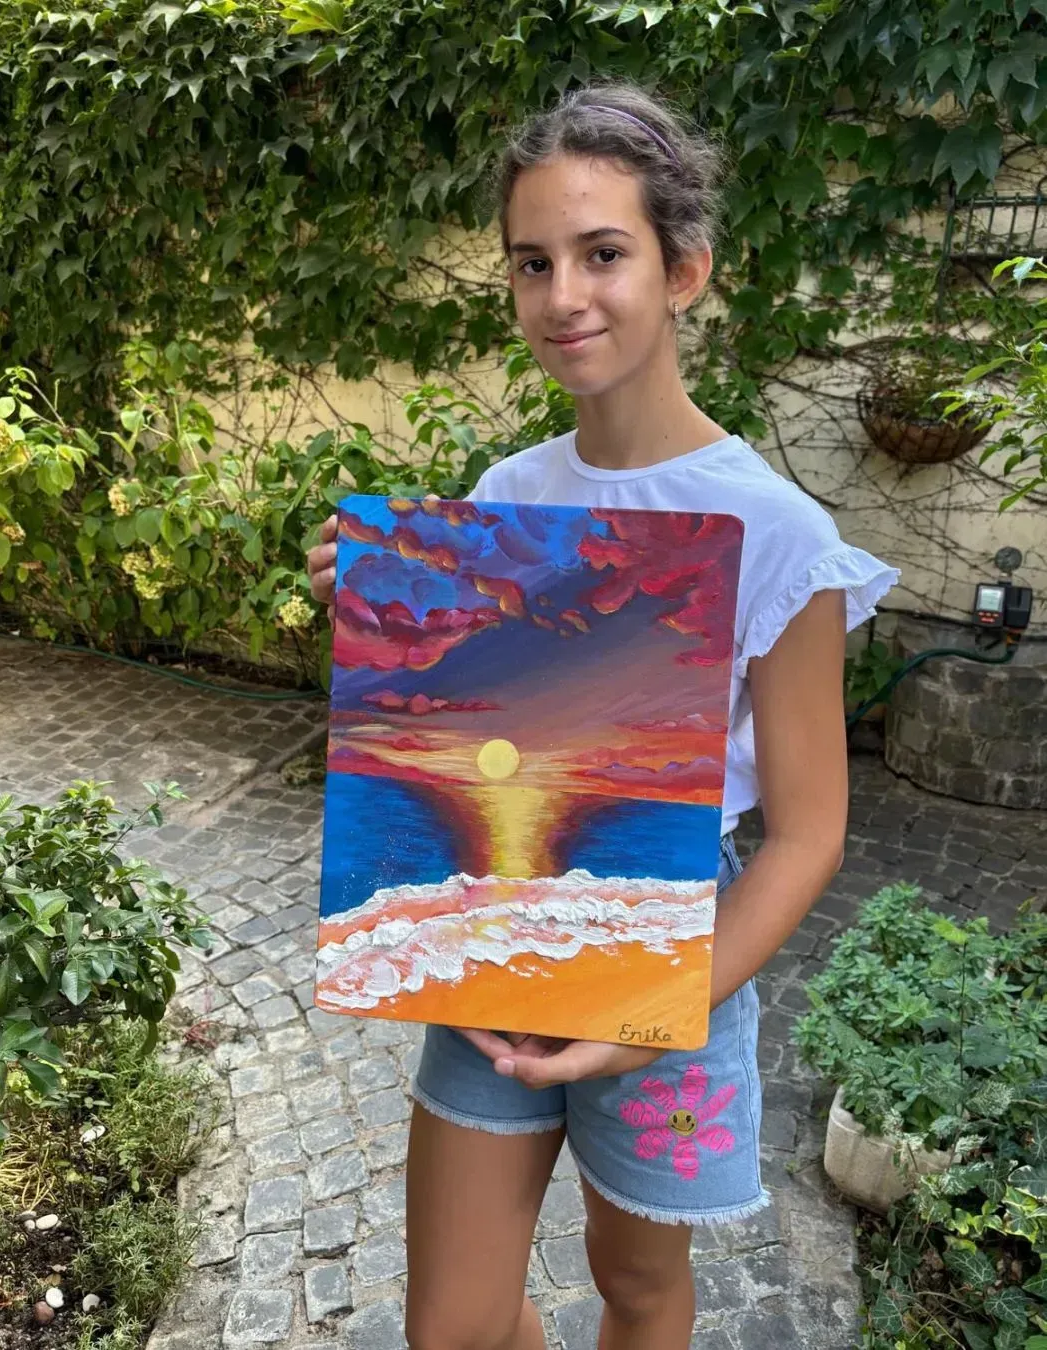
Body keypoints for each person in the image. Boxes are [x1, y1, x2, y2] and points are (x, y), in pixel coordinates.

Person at [307, 82, 898, 1350]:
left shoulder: (775, 532)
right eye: (533, 262)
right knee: (452, 1326)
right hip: (497, 921)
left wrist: (649, 1011)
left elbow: (808, 834)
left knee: (635, 1285)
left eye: (603, 253)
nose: (563, 294)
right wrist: (386, 619)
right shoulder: (507, 494)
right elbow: (470, 742)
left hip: (677, 943)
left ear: (683, 271)